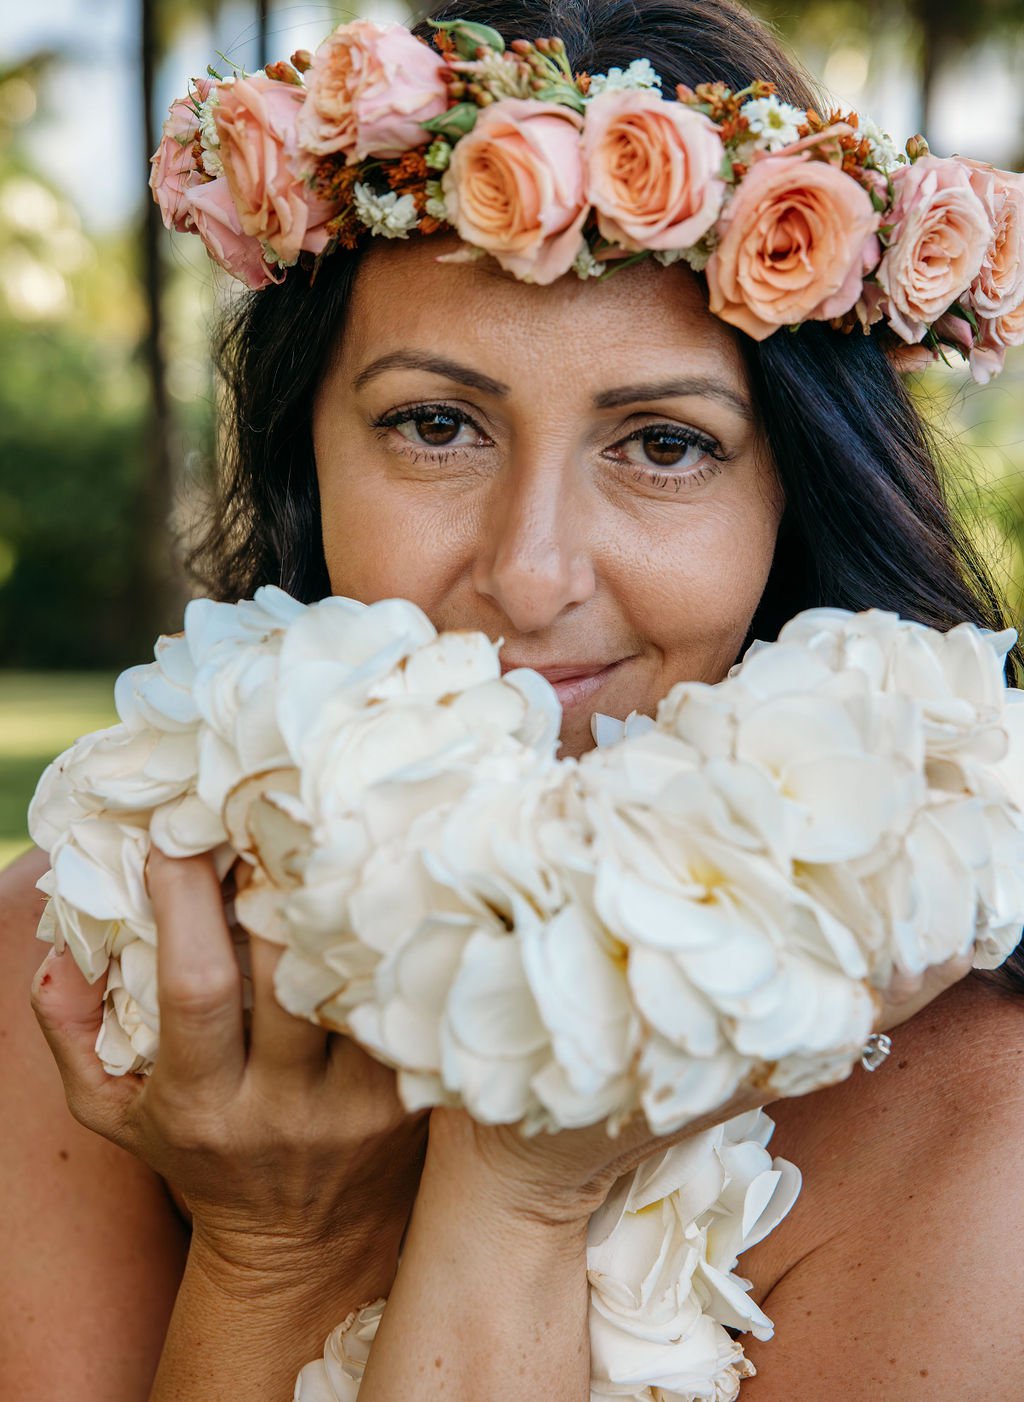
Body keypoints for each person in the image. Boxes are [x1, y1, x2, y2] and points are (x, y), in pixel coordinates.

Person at [3, 0, 1023, 1397]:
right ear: (307, 452)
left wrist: (519, 1191)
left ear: (798, 488)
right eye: (436, 424)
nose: (531, 577)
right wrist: (270, 1246)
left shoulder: (981, 1096)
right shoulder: (63, 963)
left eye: (665, 443)